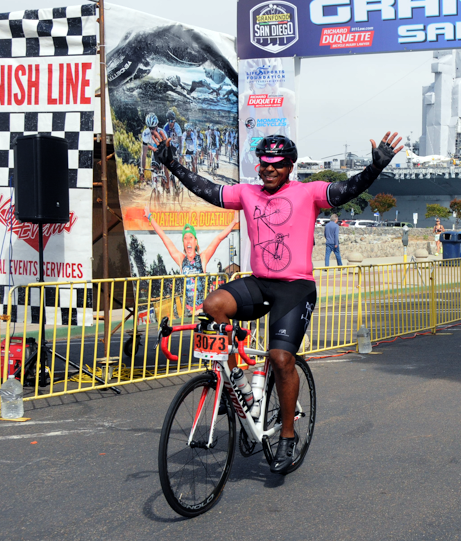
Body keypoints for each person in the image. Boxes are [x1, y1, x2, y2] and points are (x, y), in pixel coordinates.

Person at [151, 129, 402, 473]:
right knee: (213, 306)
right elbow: (208, 190)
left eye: (277, 164)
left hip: (295, 288)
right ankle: (238, 385)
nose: (268, 169)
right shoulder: (247, 193)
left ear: (290, 166)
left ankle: (287, 434)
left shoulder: (308, 192)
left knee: (281, 358)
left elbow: (345, 190)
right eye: (264, 163)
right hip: (259, 284)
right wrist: (174, 165)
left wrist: (373, 169)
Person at [145, 209, 237, 313]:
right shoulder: (181, 259)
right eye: (185, 238)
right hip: (188, 311)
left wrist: (234, 222)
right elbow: (164, 237)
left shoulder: (202, 258)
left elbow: (218, 239)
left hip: (202, 308)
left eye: (191, 237)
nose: (188, 240)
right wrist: (150, 217)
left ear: (195, 241)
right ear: (183, 242)